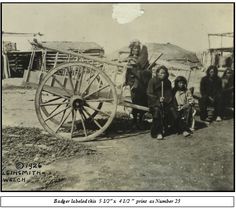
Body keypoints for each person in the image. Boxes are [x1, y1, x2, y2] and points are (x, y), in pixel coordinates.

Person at [125, 40, 151, 128]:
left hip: (143, 83)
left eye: (138, 48)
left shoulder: (143, 59)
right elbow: (129, 71)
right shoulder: (130, 59)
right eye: (135, 48)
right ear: (132, 50)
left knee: (143, 101)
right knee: (135, 100)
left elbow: (147, 69)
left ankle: (141, 120)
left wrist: (144, 72)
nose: (136, 50)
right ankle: (135, 120)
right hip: (133, 83)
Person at [147, 65, 177, 139]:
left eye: (164, 73)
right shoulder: (152, 81)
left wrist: (166, 100)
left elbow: (169, 94)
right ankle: (157, 132)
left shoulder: (168, 82)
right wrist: (158, 100)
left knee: (172, 110)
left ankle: (177, 128)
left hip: (166, 103)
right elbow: (149, 93)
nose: (162, 75)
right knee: (157, 111)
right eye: (161, 73)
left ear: (166, 74)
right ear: (157, 73)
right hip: (154, 103)